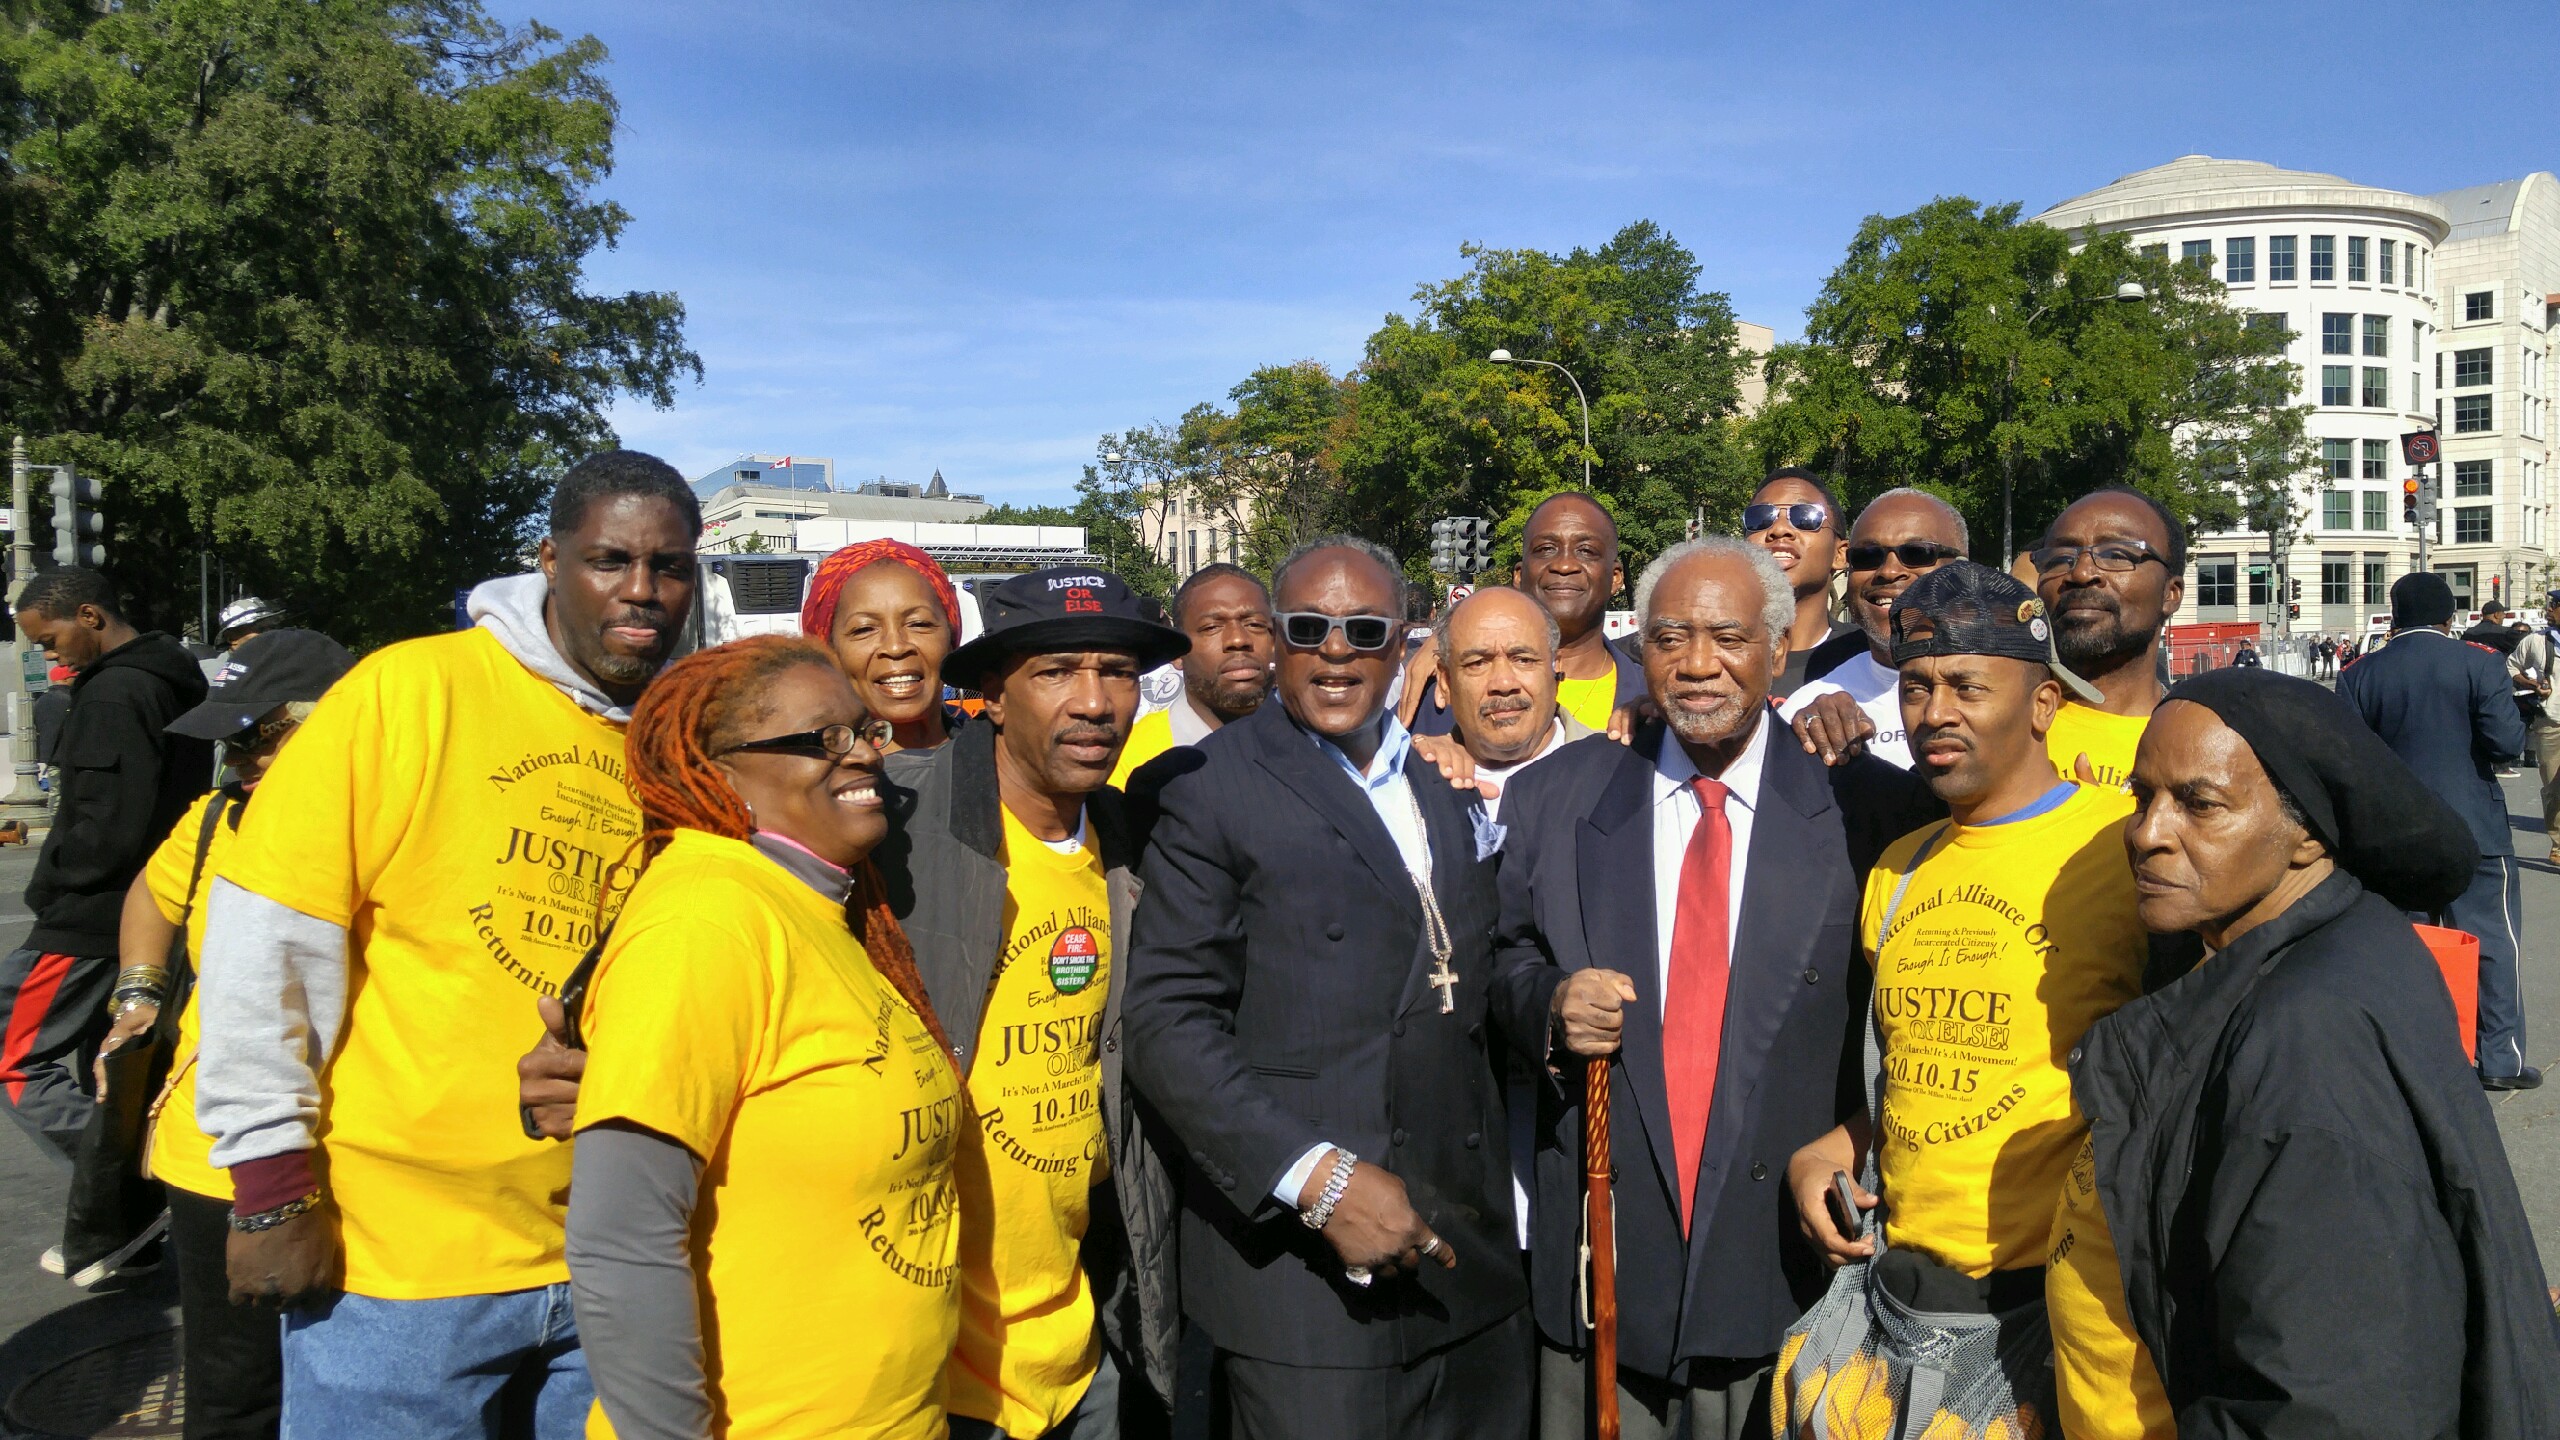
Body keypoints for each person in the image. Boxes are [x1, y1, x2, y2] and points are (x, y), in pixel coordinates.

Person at [194, 451, 699, 1439]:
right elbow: (267, 947)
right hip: (401, 1273)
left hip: (617, 1258)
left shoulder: (684, 742)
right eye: (610, 559)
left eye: (669, 566)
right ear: (550, 560)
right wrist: (270, 1190)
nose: (641, 590)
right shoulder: (407, 691)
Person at [2063, 669, 2560, 1436]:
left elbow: (2327, 1399)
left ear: (2307, 834)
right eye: (2142, 797)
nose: (2147, 833)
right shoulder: (2308, 947)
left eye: (2200, 803)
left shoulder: (2304, 1037)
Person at [1123, 536, 1534, 1440]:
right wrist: (1319, 1181)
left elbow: (1480, 967)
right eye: (1309, 629)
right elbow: (1165, 1022)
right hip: (1307, 1287)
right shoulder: (1212, 786)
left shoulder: (1444, 780)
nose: (1337, 651)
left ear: (1404, 642)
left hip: (1469, 1271)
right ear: (1277, 639)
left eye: (1365, 630)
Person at [1489, 537, 1863, 1439]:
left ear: (1780, 648)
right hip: (1608, 1287)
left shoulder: (1863, 809)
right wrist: (1548, 1004)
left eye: (1728, 637)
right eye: (1669, 638)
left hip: (1784, 1280)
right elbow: (1501, 962)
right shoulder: (1554, 798)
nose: (1697, 665)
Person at [1781, 563, 2146, 1438]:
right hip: (1900, 1301)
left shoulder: (2123, 845)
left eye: (1969, 687)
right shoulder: (1898, 868)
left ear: (2045, 704)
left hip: (2054, 1316)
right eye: (1916, 687)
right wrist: (1825, 1153)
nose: (1934, 712)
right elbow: (1914, 1071)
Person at [567, 637, 965, 1439]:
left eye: (864, 730)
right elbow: (621, 1239)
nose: (865, 753)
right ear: (716, 772)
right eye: (826, 738)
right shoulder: (705, 920)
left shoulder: (821, 908)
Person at [888, 565, 1189, 1440]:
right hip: (932, 1368)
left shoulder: (1136, 840)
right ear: (990, 694)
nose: (1094, 703)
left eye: (1118, 673)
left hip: (1080, 1344)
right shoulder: (895, 829)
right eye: (1056, 672)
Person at [99, 629, 355, 1437]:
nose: (240, 759)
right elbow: (152, 894)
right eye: (229, 742)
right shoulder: (219, 819)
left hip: (362, 1158)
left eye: (259, 736)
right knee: (237, 1396)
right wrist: (138, 996)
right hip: (216, 1157)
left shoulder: (394, 824)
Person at [1, 569, 211, 1166]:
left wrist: (55, 884)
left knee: (12, 1054)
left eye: (49, 640)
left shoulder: (116, 694)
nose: (50, 655)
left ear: (89, 617)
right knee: (116, 1064)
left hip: (93, 917)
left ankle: (120, 1175)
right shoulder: (167, 678)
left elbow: (107, 824)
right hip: (152, 906)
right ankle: (128, 1197)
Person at [2338, 571, 2536, 1089]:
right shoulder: (2479, 663)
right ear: (2450, 617)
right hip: (2476, 827)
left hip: (2395, 835)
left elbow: (2350, 763)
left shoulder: (2360, 674)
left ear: (2395, 616)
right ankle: (2501, 1059)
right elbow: (2506, 744)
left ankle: (2415, 1061)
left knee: (2405, 947)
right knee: (2494, 941)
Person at [1406, 492, 1645, 737]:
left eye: (1586, 551)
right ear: (1519, 575)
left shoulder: (1652, 706)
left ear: (1615, 577)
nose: (1564, 565)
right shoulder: (1442, 693)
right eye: (1546, 549)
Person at [1782, 488, 1972, 770]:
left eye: (1917, 553)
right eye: (1867, 556)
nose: (1889, 571)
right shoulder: (1805, 710)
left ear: (1963, 571)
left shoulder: (2013, 687)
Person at [2030, 488, 2183, 788]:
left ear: (2170, 593)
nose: (2081, 573)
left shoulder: (2205, 742)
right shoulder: (2000, 727)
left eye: (2116, 555)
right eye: (2060, 558)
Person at [1416, 586, 1596, 820]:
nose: (1503, 683)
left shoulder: (1615, 772)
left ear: (1556, 668)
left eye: (1523, 660)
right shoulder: (1409, 786)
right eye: (1478, 663)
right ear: (1445, 682)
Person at [1110, 562, 1275, 788]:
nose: (1238, 640)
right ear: (1177, 651)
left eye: (1255, 624)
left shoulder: (1315, 742)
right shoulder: (1128, 759)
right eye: (1211, 627)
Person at [801, 537, 968, 754]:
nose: (896, 647)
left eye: (919, 624)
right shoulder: (806, 771)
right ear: (829, 651)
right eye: (864, 629)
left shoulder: (1000, 754)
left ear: (951, 638)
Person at [1743, 469, 1856, 699]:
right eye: (1760, 518)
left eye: (1805, 517)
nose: (1779, 530)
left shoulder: (1871, 656)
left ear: (1840, 554)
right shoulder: (1714, 657)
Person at [2513, 589, 2560, 864]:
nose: (2549, 609)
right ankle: (2558, 843)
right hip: (2551, 723)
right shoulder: (2536, 641)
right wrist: (2532, 684)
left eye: (2555, 605)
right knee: (2553, 786)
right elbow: (2511, 667)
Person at [199, 595, 290, 680]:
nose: (269, 634)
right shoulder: (209, 673)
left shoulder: (281, 668)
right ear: (232, 638)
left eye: (271, 628)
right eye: (260, 629)